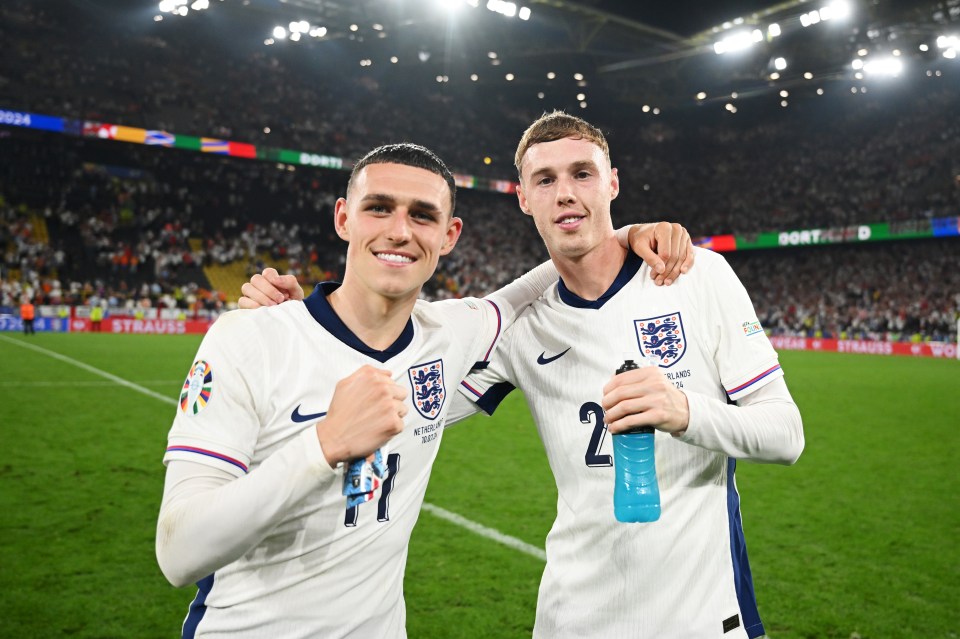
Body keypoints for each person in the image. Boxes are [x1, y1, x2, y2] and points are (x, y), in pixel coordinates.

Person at [244, 113, 804, 638]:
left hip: (705, 617)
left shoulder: (694, 274)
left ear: (612, 182)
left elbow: (785, 434)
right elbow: (396, 400)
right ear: (523, 198)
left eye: (582, 174)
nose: (565, 192)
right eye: (545, 179)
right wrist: (305, 332)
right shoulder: (515, 328)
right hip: (571, 619)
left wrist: (685, 412)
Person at [157, 142, 693, 639]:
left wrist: (618, 235)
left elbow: (532, 287)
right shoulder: (251, 337)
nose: (399, 231)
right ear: (344, 218)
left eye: (422, 215)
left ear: (449, 235)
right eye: (379, 208)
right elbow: (178, 553)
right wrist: (322, 445)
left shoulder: (451, 334)